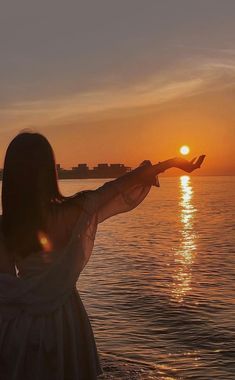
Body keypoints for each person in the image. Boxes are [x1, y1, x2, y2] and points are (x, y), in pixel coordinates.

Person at [0, 132, 205, 380]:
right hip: (66, 318)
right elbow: (119, 186)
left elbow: (7, 284)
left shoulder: (5, 226)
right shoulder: (75, 210)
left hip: (22, 324)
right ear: (48, 171)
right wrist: (171, 163)